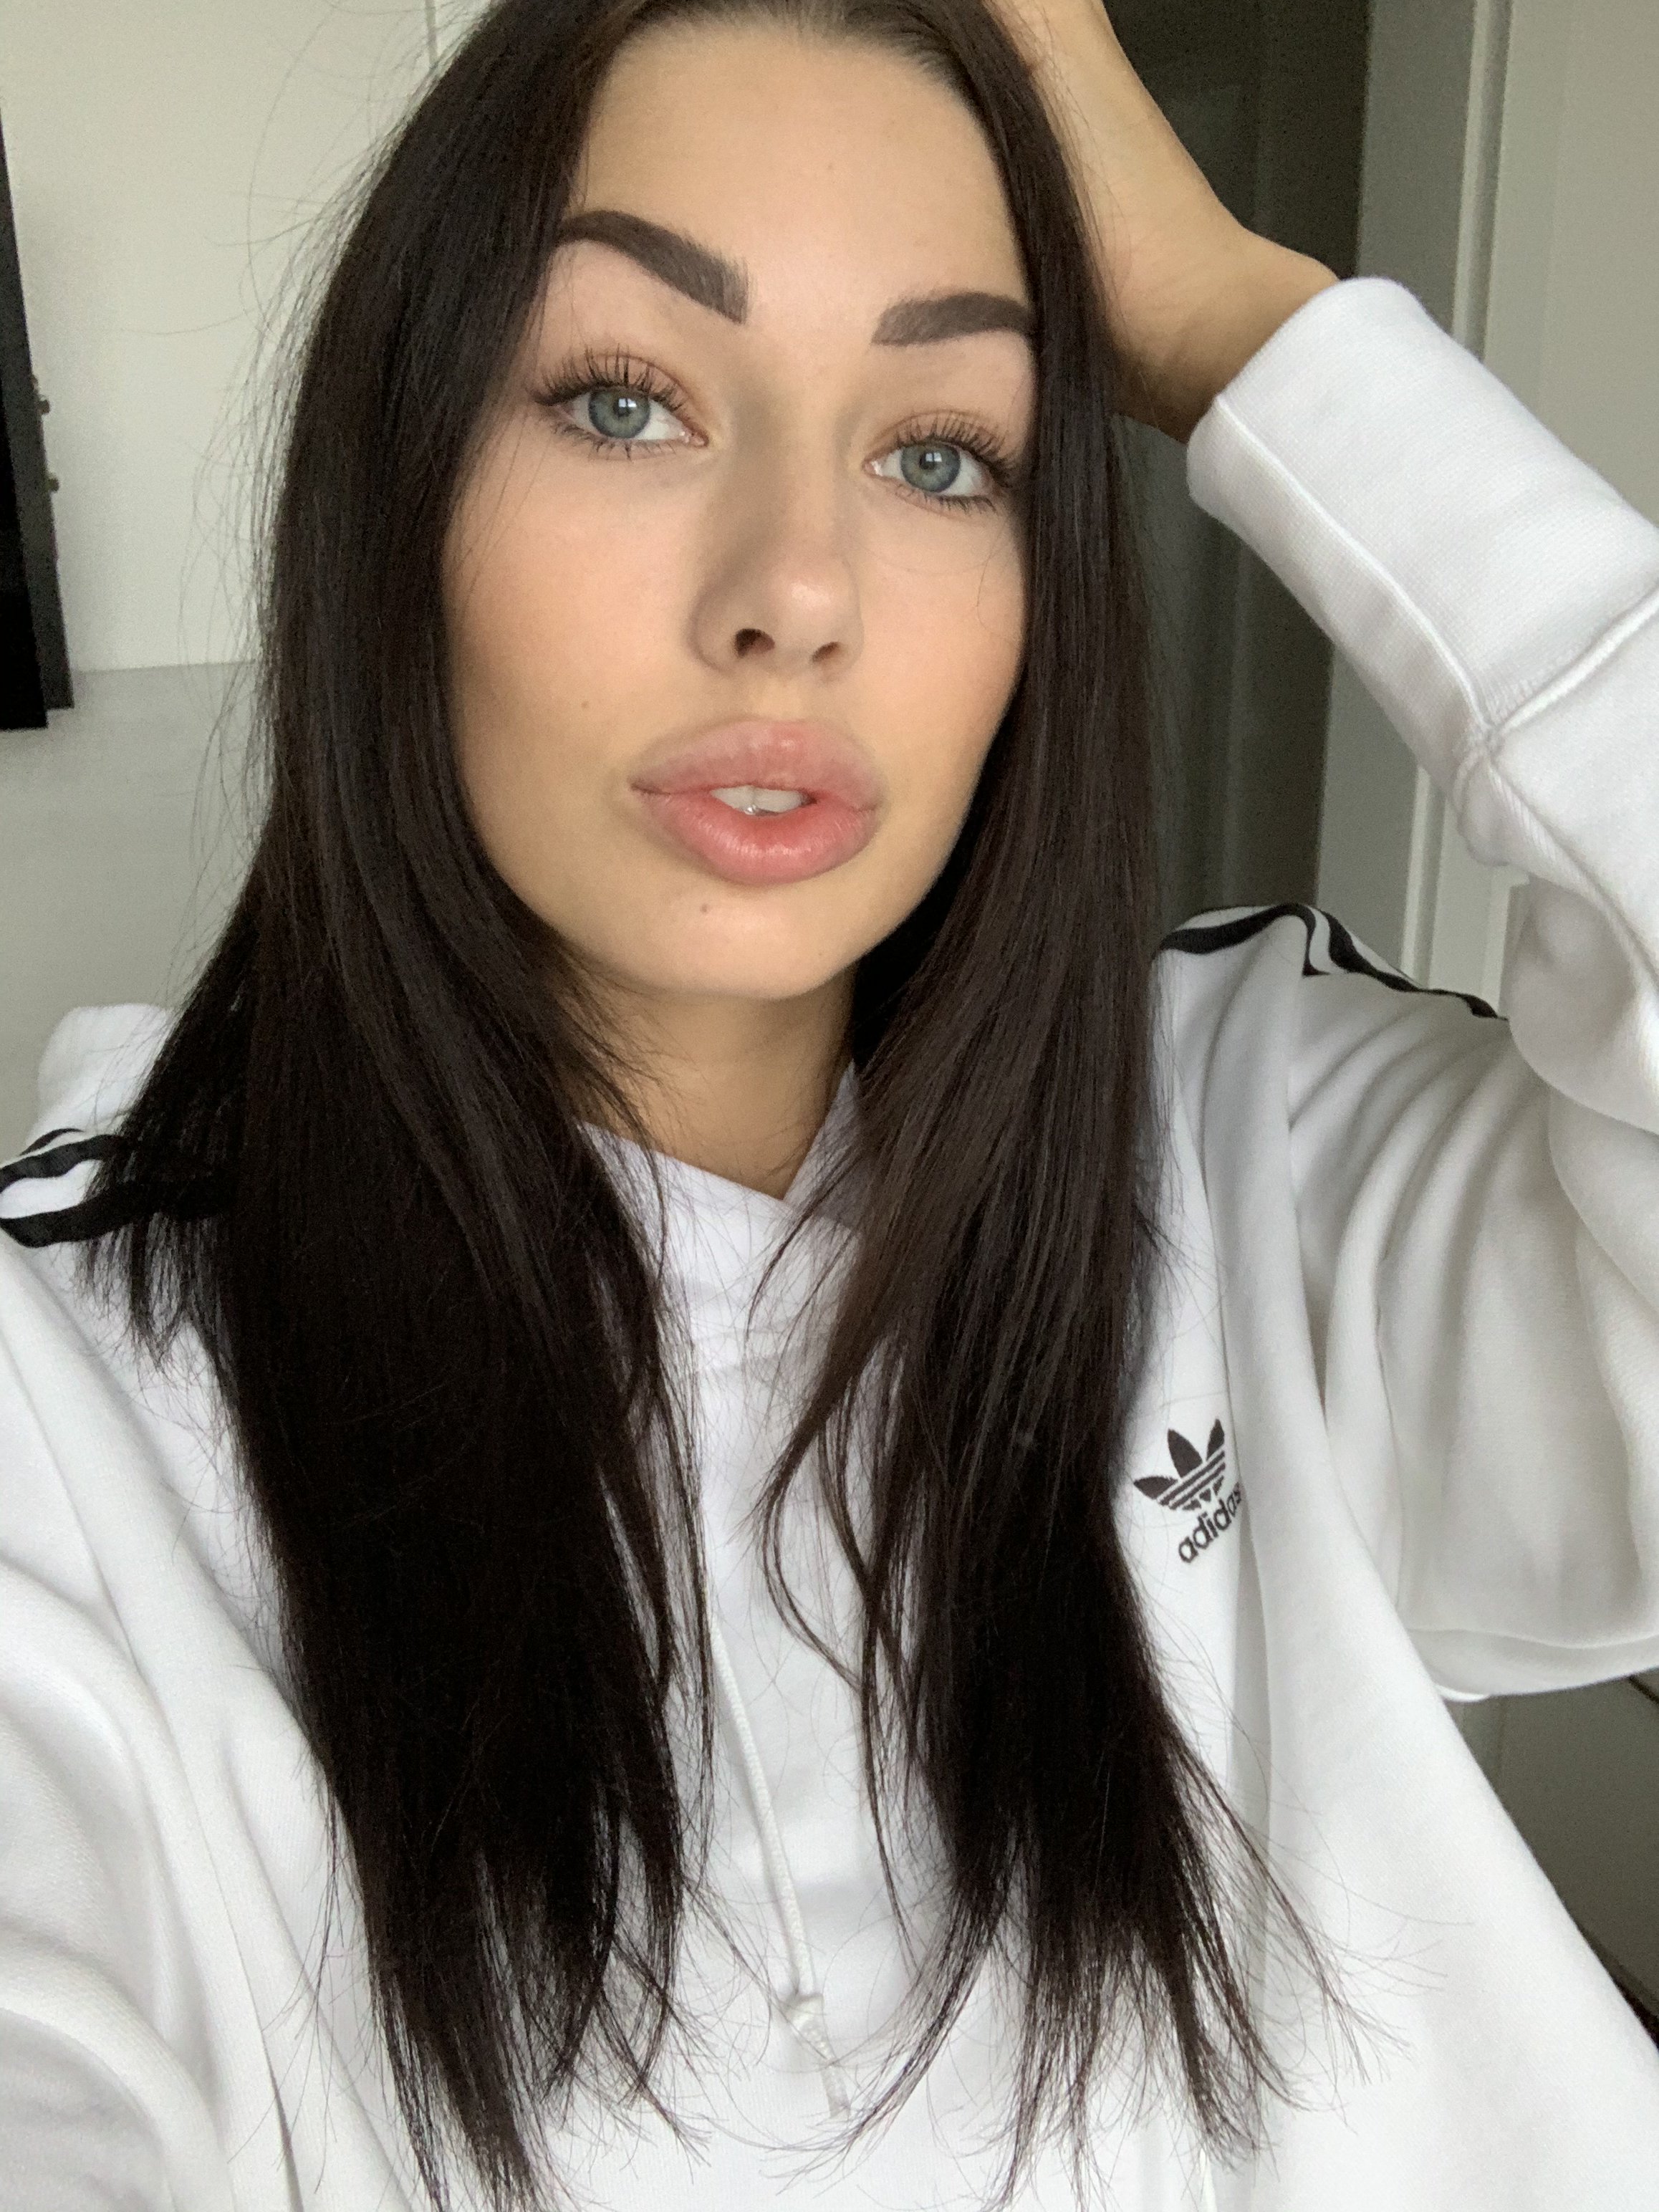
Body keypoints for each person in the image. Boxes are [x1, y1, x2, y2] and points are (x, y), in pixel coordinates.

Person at [1, 0, 1656, 2206]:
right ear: (392, 508)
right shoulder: (59, 1424)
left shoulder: (1259, 1157)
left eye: (940, 450)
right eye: (624, 401)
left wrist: (1245, 331)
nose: (795, 591)